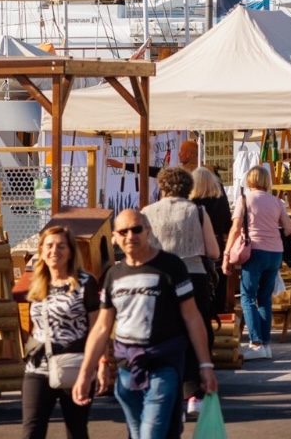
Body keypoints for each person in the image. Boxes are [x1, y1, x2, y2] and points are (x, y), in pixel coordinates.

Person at [73, 210, 216, 439]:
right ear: (115, 237)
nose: (130, 236)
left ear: (148, 231)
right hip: (127, 370)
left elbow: (192, 316)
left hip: (164, 363)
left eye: (136, 229)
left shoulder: (171, 266)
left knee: (150, 435)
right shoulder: (113, 275)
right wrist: (85, 372)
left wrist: (205, 365)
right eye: (123, 231)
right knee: (138, 433)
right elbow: (102, 327)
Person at [143, 166, 220, 416]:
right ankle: (194, 393)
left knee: (161, 332)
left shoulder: (147, 212)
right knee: (196, 332)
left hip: (157, 278)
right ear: (188, 188)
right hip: (193, 276)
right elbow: (213, 251)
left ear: (162, 187)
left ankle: (163, 388)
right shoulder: (197, 211)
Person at [22, 226, 100, 439]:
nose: (54, 250)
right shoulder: (37, 282)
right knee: (31, 430)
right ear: (41, 250)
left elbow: (97, 328)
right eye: (49, 246)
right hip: (38, 365)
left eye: (60, 246)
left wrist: (98, 365)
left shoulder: (85, 283)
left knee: (76, 430)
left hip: (74, 363)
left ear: (70, 251)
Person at [222, 165, 291, 361]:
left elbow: (236, 228)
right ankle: (265, 344)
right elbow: (289, 228)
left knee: (247, 297)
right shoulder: (277, 201)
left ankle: (255, 343)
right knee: (264, 298)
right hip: (275, 253)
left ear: (249, 180)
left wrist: (227, 253)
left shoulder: (244, 200)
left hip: (254, 251)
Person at [190, 167, 232, 314]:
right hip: (217, 243)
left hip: (195, 247)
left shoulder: (190, 205)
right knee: (218, 281)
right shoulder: (220, 199)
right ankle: (219, 315)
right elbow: (228, 223)